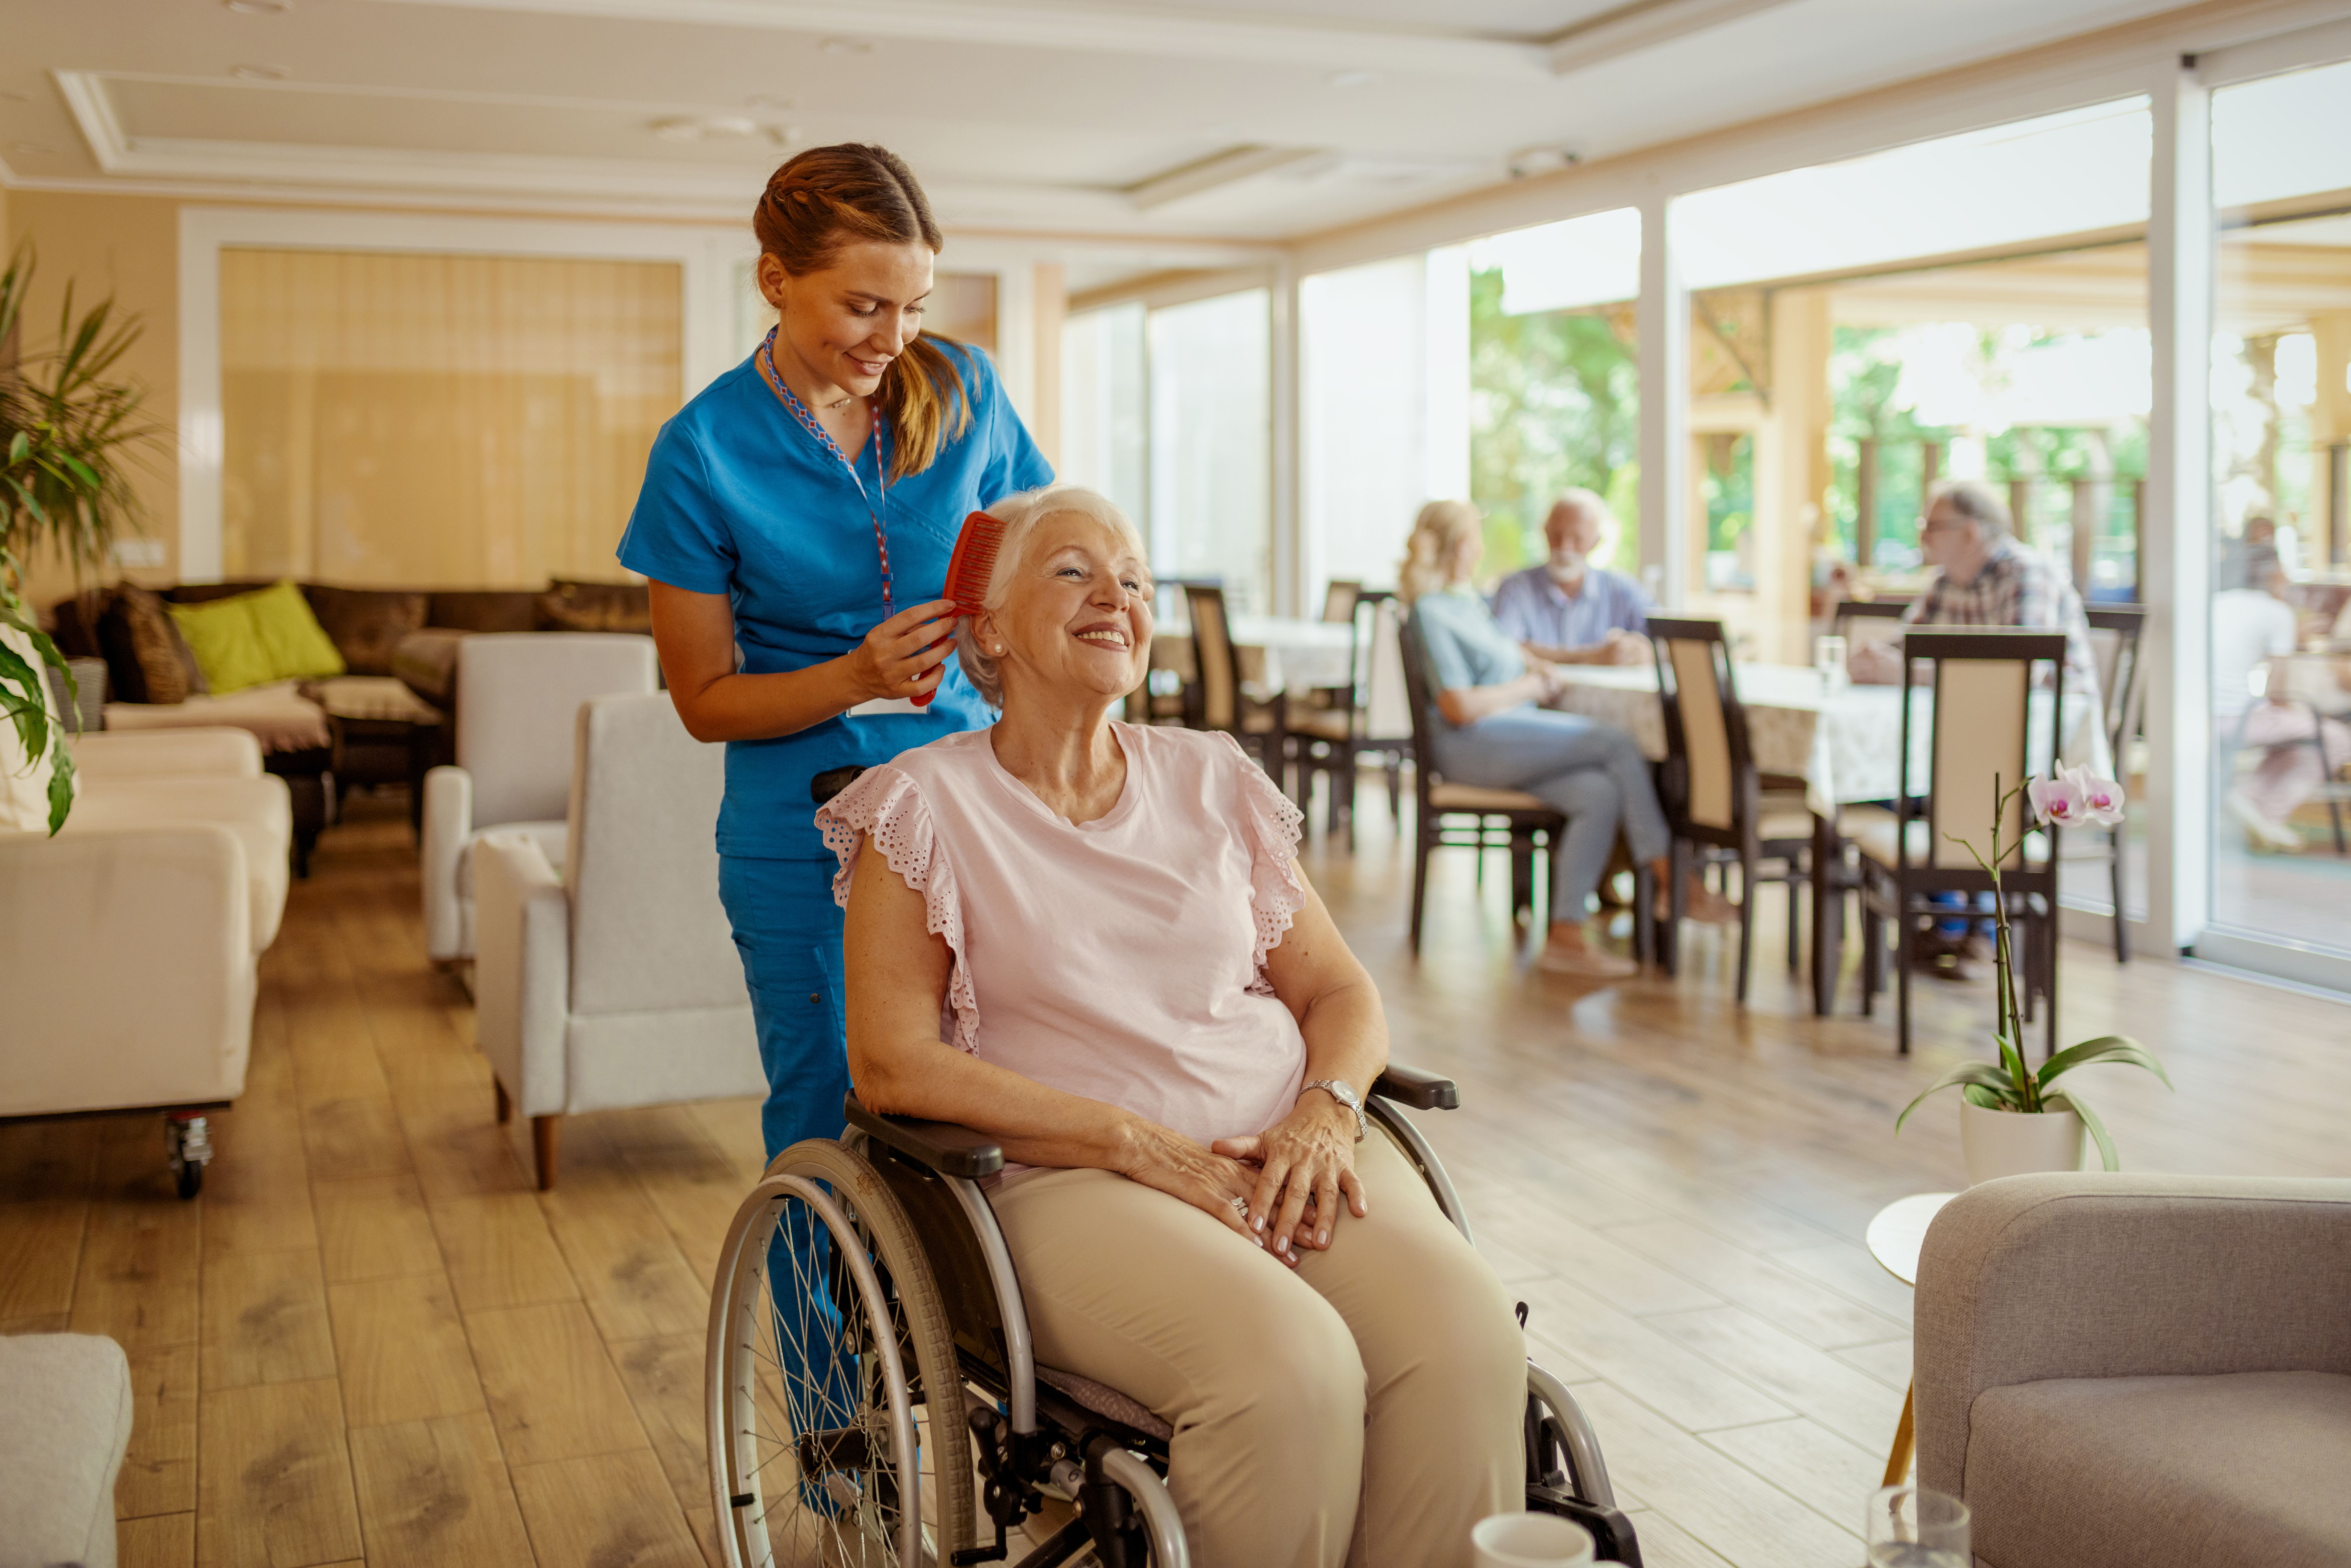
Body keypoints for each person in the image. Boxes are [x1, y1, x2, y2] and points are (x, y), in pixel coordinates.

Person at [819, 486, 1527, 1568]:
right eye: (1072, 572)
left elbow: (1339, 993)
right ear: (990, 629)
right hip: (1066, 1182)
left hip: (1279, 1152)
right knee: (1287, 1370)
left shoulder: (1212, 778)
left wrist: (1326, 1113)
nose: (1118, 595)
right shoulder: (923, 807)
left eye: (1136, 579)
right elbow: (889, 1064)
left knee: (1464, 1335)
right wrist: (1130, 1142)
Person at [619, 142, 1053, 1172]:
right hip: (800, 832)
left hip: (967, 810)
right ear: (775, 280)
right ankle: (819, 1340)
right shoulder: (701, 450)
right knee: (829, 1111)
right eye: (864, 307)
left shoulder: (963, 388)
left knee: (989, 1102)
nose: (894, 339)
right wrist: (854, 677)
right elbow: (703, 702)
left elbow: (1039, 542)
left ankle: (965, 1335)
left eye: (913, 306)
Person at [1400, 500, 1727, 981]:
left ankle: (1565, 935)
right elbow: (1458, 706)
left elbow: (1507, 655)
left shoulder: (1468, 602)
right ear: (1461, 546)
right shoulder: (1430, 611)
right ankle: (1672, 882)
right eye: (1476, 537)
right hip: (1470, 746)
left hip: (1505, 735)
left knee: (1599, 792)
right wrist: (1530, 688)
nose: (1480, 547)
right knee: (1616, 745)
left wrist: (1536, 669)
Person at [1848, 479, 2096, 693]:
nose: (1922, 538)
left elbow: (2020, 671)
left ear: (1970, 533)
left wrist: (1911, 673)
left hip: (2048, 729)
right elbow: (1904, 649)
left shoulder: (2028, 574)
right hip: (1974, 720)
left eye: (1931, 527)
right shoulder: (1945, 583)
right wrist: (1872, 661)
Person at [2216, 545, 2347, 851]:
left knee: (2294, 735)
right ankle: (2267, 815)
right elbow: (2277, 691)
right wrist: (2295, 637)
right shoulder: (2278, 614)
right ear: (2273, 576)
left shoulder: (2215, 602)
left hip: (2193, 716)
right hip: (2236, 720)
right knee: (2336, 738)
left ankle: (2249, 802)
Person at [1490, 488, 1653, 666]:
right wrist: (1593, 657)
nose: (1565, 548)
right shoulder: (1516, 588)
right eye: (1557, 536)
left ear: (1595, 542)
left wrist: (1645, 653)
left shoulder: (1623, 590)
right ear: (1545, 532)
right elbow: (1502, 650)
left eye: (1577, 539)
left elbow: (1666, 645)